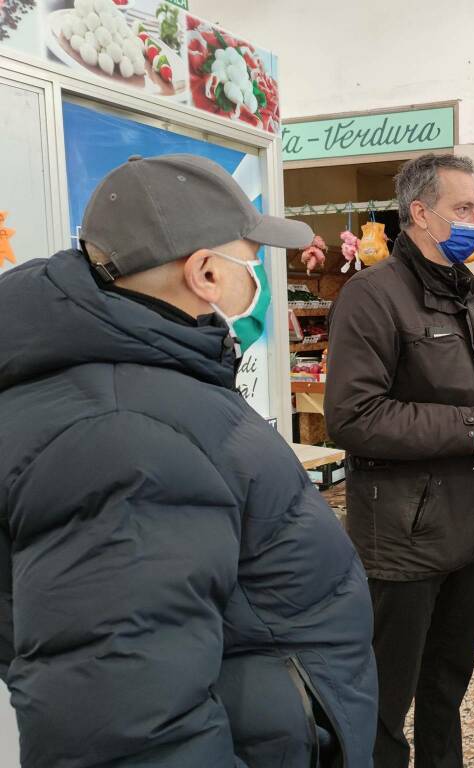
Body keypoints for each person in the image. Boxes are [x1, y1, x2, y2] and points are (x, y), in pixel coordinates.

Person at [0, 155, 377, 767]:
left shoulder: (143, 378)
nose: (256, 274)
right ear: (204, 272)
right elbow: (125, 728)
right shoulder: (125, 436)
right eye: (249, 257)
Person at [325, 153, 474, 768]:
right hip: (403, 540)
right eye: (463, 209)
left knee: (446, 687)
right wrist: (473, 428)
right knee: (386, 701)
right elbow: (354, 417)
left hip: (470, 529)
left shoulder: (465, 295)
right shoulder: (372, 296)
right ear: (420, 214)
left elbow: (473, 390)